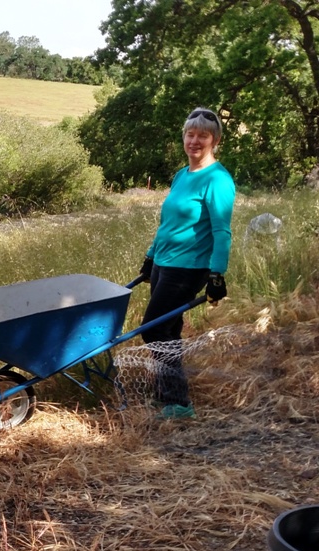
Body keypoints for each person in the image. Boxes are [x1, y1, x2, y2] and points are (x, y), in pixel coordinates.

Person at [138, 107, 235, 420]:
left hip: (189, 267)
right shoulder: (183, 174)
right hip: (164, 262)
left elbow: (222, 231)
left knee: (153, 328)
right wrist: (151, 255)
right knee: (168, 328)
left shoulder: (218, 180)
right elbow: (168, 222)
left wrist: (217, 274)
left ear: (214, 140)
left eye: (202, 135)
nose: (195, 141)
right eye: (190, 134)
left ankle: (178, 402)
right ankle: (167, 396)